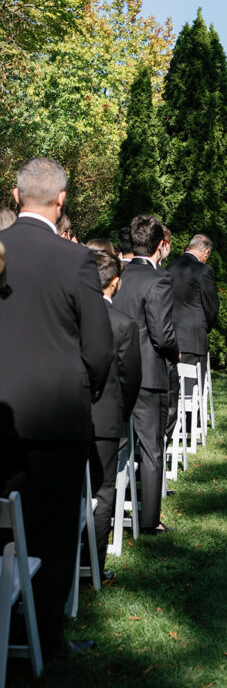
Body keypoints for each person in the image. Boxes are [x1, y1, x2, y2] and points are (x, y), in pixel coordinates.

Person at [0, 157, 113, 659]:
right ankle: (44, 640)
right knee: (53, 529)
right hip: (56, 419)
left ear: (17, 193)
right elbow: (99, 348)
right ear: (62, 200)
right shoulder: (74, 260)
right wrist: (83, 390)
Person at [114, 214, 179, 535]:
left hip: (116, 371)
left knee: (116, 443)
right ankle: (150, 519)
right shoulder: (159, 280)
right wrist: (175, 352)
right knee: (152, 449)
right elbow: (163, 334)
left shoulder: (119, 275)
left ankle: (107, 508)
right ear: (160, 245)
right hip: (149, 375)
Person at [89, 251, 142, 577]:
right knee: (103, 490)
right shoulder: (123, 324)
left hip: (65, 415)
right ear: (116, 282)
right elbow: (130, 378)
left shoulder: (68, 316)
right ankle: (93, 563)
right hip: (107, 418)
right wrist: (121, 411)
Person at [167, 233, 220, 375]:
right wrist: (206, 326)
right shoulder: (204, 270)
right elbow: (212, 307)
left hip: (169, 335)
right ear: (207, 252)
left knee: (173, 388)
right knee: (191, 391)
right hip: (193, 338)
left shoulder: (169, 267)